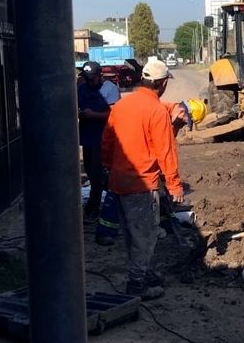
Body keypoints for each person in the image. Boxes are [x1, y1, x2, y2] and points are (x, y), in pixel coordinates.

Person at [102, 59, 184, 300]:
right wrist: (174, 185)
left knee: (132, 233)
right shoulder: (156, 112)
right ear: (162, 83)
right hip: (142, 184)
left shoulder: (121, 106)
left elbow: (107, 141)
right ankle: (137, 285)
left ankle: (144, 272)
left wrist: (108, 167)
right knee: (145, 235)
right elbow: (165, 151)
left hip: (119, 181)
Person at [78, 61, 118, 224]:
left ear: (99, 76)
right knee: (92, 172)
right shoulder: (81, 89)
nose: (89, 82)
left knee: (96, 175)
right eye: (86, 79)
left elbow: (115, 114)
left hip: (103, 139)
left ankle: (92, 209)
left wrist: (93, 115)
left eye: (92, 79)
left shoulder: (110, 90)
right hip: (87, 137)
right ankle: (114, 197)